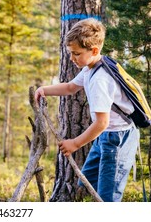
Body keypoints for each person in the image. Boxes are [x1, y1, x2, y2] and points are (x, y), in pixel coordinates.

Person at [34, 18, 139, 202]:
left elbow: (102, 122)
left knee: (108, 197)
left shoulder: (100, 79)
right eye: (71, 53)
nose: (72, 58)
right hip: (105, 136)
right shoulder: (90, 68)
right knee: (89, 181)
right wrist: (44, 90)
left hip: (117, 138)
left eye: (76, 53)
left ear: (94, 50)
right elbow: (70, 88)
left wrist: (75, 144)